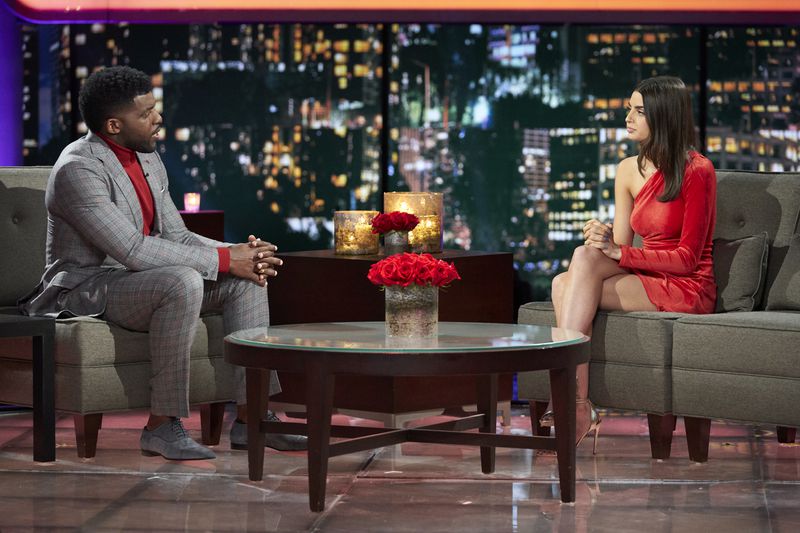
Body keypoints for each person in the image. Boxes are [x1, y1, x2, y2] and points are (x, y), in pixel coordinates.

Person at [19, 66, 307, 460]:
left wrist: (241, 253)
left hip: (140, 280)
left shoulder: (148, 159)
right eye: (146, 113)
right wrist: (224, 259)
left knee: (245, 279)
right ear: (114, 125)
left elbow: (179, 235)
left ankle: (254, 417)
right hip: (87, 286)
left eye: (155, 108)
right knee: (183, 281)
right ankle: (161, 425)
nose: (158, 119)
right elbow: (132, 249)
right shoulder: (78, 168)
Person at [542, 76, 717, 450]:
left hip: (687, 285)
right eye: (629, 109)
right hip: (646, 272)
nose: (629, 118)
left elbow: (687, 259)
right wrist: (604, 241)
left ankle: (573, 402)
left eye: (639, 111)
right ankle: (577, 403)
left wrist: (620, 253)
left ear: (664, 117)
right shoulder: (626, 169)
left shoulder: (697, 170)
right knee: (571, 270)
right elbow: (619, 245)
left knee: (566, 283)